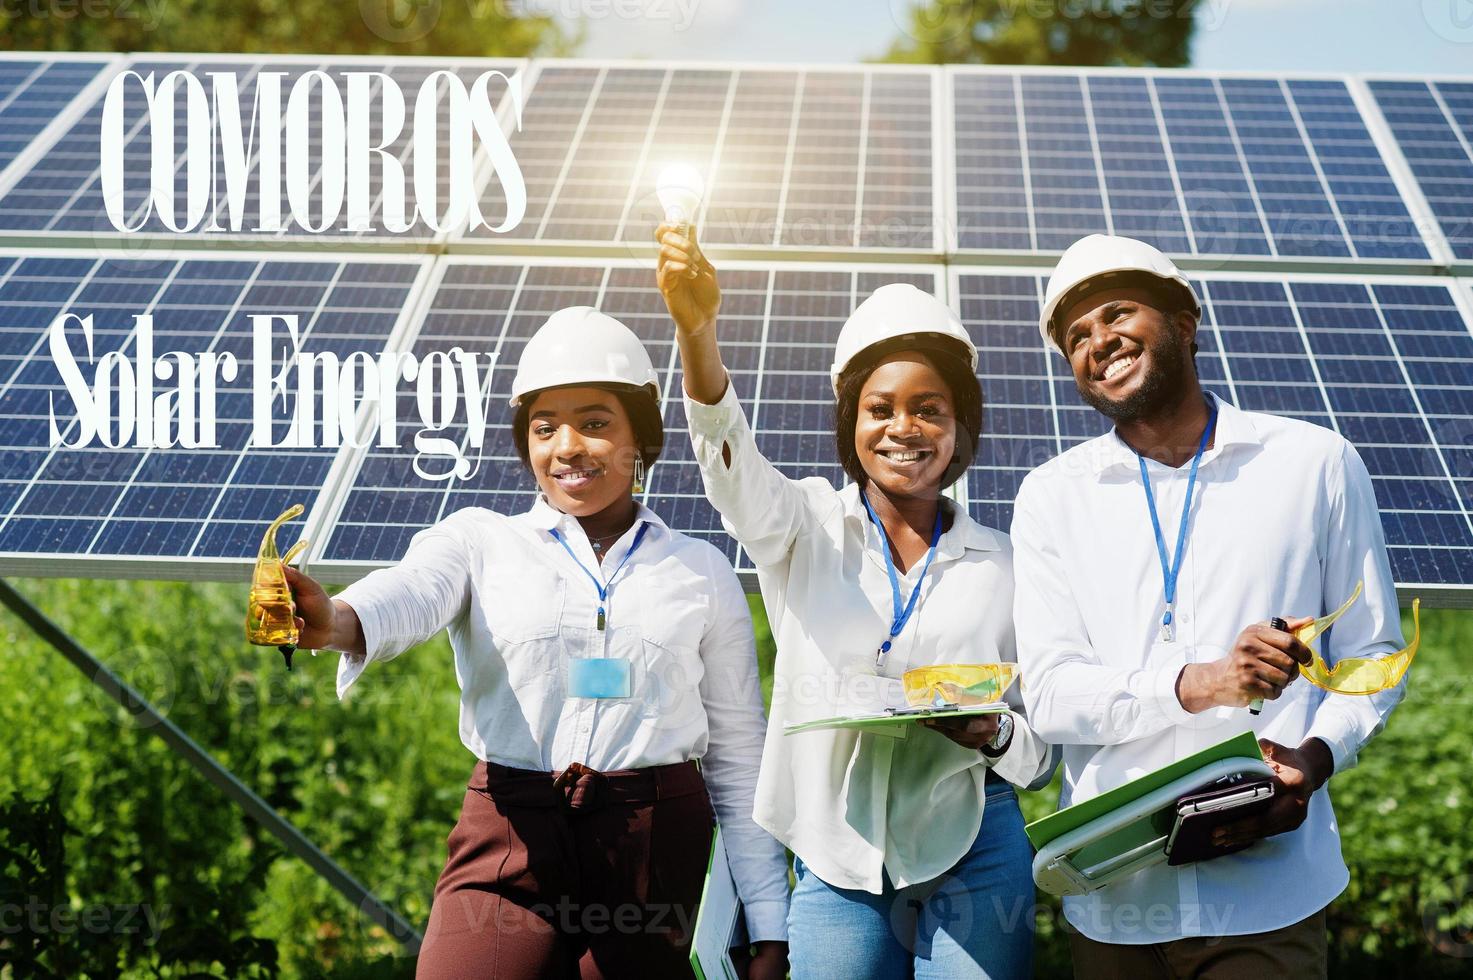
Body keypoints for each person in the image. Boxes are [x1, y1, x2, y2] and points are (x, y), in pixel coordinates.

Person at [282, 307, 790, 979]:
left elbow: (736, 756)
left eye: (595, 423)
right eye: (545, 428)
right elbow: (412, 591)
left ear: (641, 435)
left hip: (653, 851)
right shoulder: (480, 540)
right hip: (510, 833)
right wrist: (336, 619)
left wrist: (768, 927)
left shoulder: (699, 569)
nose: (567, 446)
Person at [656, 223, 1055, 979]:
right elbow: (729, 466)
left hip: (975, 844)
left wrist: (991, 733)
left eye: (929, 408)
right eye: (880, 408)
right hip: (836, 853)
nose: (904, 428)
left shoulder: (1004, 563)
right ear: (851, 422)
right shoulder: (802, 526)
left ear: (959, 426)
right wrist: (697, 332)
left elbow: (1040, 759)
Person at [1012, 234, 1408, 978]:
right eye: (1076, 337)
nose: (1099, 341)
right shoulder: (1049, 496)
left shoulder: (1313, 463)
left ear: (1184, 322)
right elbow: (1053, 694)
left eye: (1118, 313)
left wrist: (1313, 761)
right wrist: (1201, 683)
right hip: (1116, 896)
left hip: (1266, 891)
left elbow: (1374, 656)